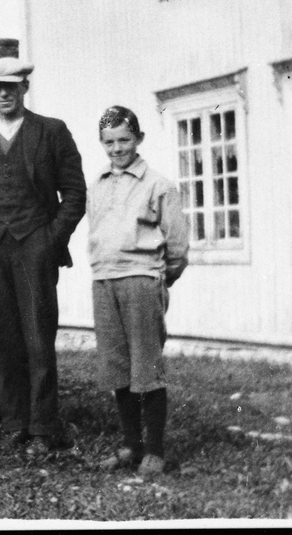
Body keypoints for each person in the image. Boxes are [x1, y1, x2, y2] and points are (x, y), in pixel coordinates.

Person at [0, 56, 86, 455]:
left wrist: (50, 236)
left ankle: (43, 426)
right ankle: (14, 420)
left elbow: (74, 192)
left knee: (38, 335)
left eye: (11, 86)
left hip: (34, 244)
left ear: (24, 86)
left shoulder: (51, 131)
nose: (3, 94)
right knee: (2, 335)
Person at [88, 106, 188, 476]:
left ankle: (155, 450)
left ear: (139, 139)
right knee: (118, 369)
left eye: (124, 140)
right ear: (102, 144)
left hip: (141, 282)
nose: (117, 149)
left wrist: (156, 281)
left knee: (146, 368)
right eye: (110, 142)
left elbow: (176, 246)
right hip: (104, 281)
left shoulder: (158, 184)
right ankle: (131, 444)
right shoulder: (97, 183)